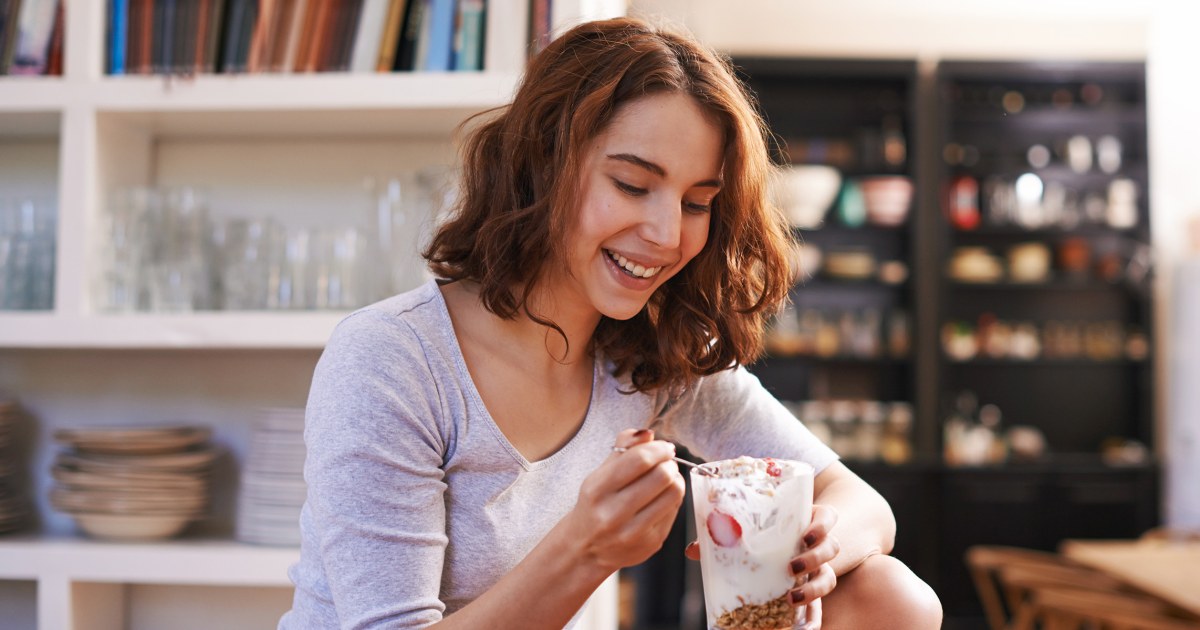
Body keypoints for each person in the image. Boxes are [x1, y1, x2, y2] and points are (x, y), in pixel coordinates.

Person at [280, 16, 942, 630]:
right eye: (632, 185)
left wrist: (820, 544)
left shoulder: (653, 354)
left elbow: (861, 503)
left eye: (696, 202)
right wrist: (585, 551)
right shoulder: (392, 360)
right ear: (542, 165)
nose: (665, 233)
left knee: (893, 596)